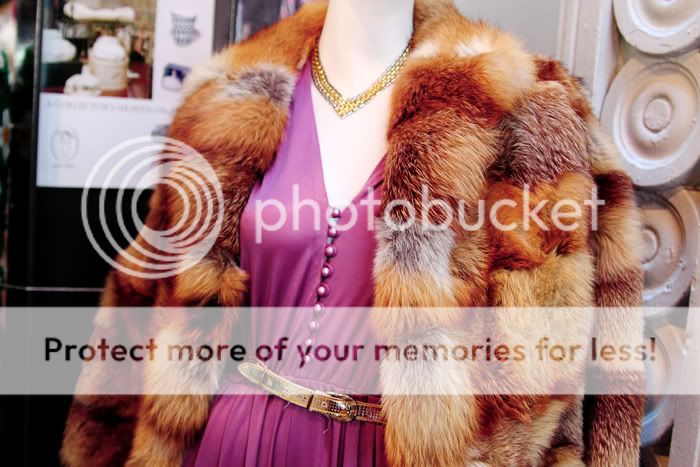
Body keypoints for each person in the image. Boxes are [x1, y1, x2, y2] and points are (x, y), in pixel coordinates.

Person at [62, 1, 644, 466]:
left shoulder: (521, 109)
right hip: (231, 439)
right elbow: (140, 307)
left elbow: (565, 357)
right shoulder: (222, 103)